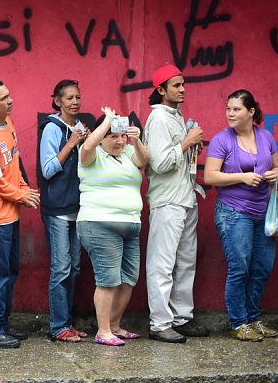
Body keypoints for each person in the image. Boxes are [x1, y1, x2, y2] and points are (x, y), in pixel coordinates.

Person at [204, 89, 278, 342]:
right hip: (234, 213)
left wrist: (277, 174)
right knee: (240, 268)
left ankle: (253, 318)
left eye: (236, 109)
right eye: (228, 109)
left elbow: (277, 165)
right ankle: (239, 322)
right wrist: (242, 177)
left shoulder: (266, 136)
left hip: (263, 212)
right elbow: (210, 176)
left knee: (261, 268)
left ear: (251, 112)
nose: (230, 114)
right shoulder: (221, 140)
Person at [144, 64, 209, 343]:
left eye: (183, 84)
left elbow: (175, 158)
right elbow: (158, 164)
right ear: (161, 90)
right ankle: (160, 323)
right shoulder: (158, 119)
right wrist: (186, 142)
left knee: (185, 262)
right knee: (162, 263)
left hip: (185, 198)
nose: (182, 90)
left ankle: (181, 318)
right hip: (167, 200)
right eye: (176, 86)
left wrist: (192, 145)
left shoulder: (176, 116)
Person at [0, 79, 40, 348]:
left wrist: (24, 187)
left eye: (9, 95)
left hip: (10, 216)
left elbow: (14, 162)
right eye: (4, 98)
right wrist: (20, 196)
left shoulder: (8, 125)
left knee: (9, 272)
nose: (10, 101)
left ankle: (3, 324)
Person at [77, 107, 148, 346]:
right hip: (99, 223)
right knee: (108, 279)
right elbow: (87, 146)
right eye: (113, 136)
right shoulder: (91, 154)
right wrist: (107, 120)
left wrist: (136, 140)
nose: (119, 141)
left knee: (129, 278)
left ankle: (115, 326)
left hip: (131, 224)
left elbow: (144, 159)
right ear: (102, 136)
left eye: (122, 136)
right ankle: (103, 330)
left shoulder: (128, 151)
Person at [38, 80, 88, 342]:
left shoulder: (78, 127)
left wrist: (86, 143)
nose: (75, 102)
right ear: (57, 101)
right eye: (68, 98)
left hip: (77, 208)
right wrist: (71, 143)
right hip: (57, 209)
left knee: (75, 267)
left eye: (77, 97)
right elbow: (48, 169)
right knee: (61, 268)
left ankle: (67, 323)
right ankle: (58, 327)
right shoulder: (52, 128)